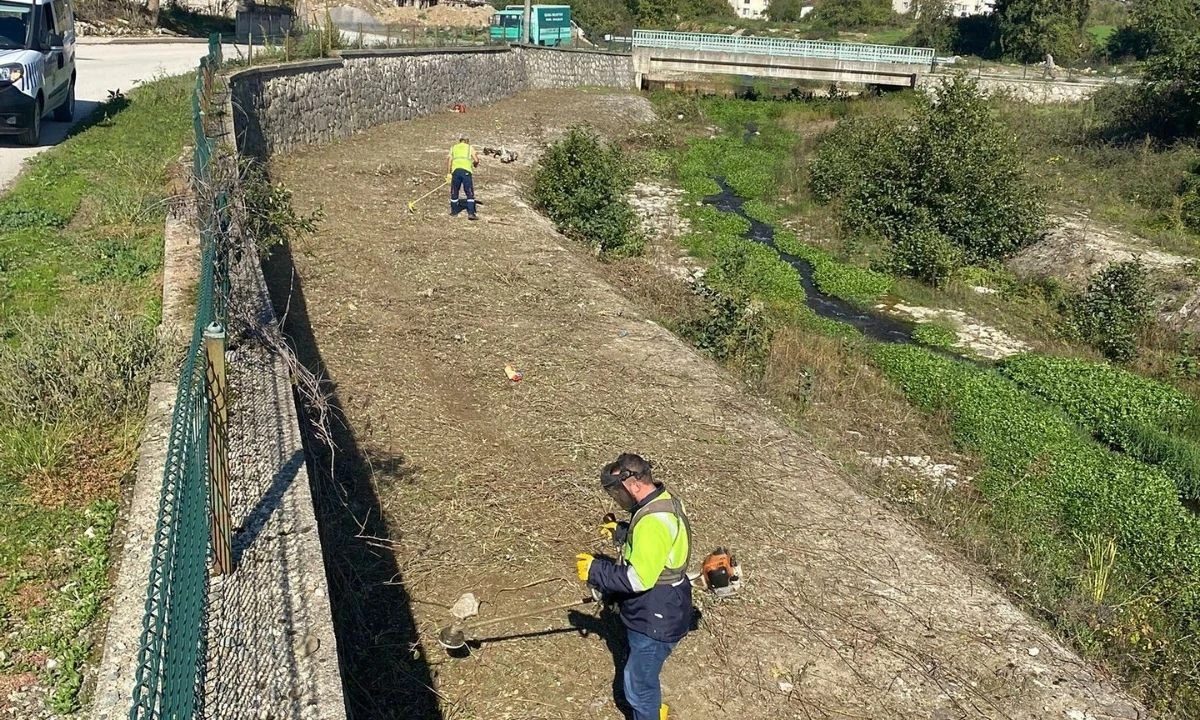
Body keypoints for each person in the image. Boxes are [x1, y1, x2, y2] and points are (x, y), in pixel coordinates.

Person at [576, 453, 692, 720]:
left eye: (619, 492)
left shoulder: (652, 523)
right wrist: (622, 532)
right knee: (644, 675)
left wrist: (596, 570)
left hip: (655, 617)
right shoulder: (665, 502)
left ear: (635, 485)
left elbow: (638, 579)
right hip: (670, 603)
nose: (618, 499)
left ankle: (649, 713)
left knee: (638, 686)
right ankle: (653, 710)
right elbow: (659, 546)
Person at [446, 135, 480, 220]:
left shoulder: (453, 147)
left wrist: (448, 173)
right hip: (466, 171)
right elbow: (476, 160)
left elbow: (449, 160)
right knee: (469, 192)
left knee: (454, 191)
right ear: (467, 141)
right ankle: (471, 213)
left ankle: (454, 212)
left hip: (456, 171)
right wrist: (475, 164)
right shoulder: (469, 148)